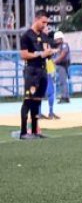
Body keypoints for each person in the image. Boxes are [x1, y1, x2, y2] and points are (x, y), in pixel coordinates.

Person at [17, 11, 54, 139]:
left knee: (37, 101)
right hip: (32, 70)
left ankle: (34, 131)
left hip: (43, 70)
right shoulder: (26, 36)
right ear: (36, 19)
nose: (45, 25)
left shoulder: (44, 36)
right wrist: (40, 54)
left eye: (46, 23)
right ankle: (23, 132)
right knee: (28, 100)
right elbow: (24, 55)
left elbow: (46, 53)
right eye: (43, 22)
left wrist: (49, 53)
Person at [42, 26, 59, 120]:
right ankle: (50, 112)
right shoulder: (44, 40)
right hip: (46, 65)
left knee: (39, 91)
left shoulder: (35, 39)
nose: (47, 31)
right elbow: (46, 52)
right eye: (46, 29)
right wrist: (54, 50)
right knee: (51, 90)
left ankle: (39, 112)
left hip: (40, 65)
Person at [53, 30, 71, 105]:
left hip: (62, 65)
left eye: (58, 39)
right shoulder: (58, 47)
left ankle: (64, 97)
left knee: (63, 81)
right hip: (59, 65)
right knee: (62, 81)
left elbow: (63, 54)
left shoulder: (64, 45)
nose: (57, 40)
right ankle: (65, 96)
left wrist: (55, 61)